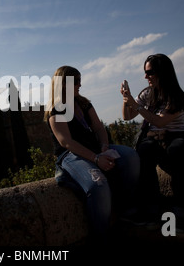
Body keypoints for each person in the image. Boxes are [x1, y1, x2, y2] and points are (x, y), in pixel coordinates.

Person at [44, 65, 141, 240]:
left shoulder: (83, 103)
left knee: (131, 157)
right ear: (63, 83)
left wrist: (104, 146)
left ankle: (126, 209)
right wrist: (96, 159)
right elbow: (66, 142)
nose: (80, 85)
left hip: (96, 148)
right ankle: (102, 236)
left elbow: (98, 127)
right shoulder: (56, 109)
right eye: (76, 81)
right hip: (71, 155)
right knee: (98, 185)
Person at [121, 53, 184, 236]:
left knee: (177, 151)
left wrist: (136, 106)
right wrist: (126, 99)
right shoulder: (147, 94)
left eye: (150, 72)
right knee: (144, 151)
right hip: (155, 140)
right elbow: (127, 116)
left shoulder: (177, 96)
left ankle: (180, 212)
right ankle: (152, 210)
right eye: (145, 72)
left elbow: (160, 121)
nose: (146, 77)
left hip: (176, 138)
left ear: (163, 72)